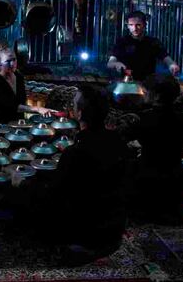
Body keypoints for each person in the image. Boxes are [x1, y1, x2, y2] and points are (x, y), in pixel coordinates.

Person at [17, 85, 129, 265]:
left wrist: (23, 184)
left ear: (79, 113)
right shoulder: (119, 142)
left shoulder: (75, 152)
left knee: (27, 195)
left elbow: (53, 194)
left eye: (74, 105)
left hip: (86, 229)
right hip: (114, 226)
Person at [128, 75, 183, 225]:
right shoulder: (181, 119)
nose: (144, 95)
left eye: (146, 92)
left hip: (150, 183)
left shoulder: (144, 118)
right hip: (177, 183)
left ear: (156, 96)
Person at [107, 11, 180, 81]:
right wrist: (116, 64)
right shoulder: (122, 42)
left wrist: (172, 65)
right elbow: (110, 63)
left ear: (144, 25)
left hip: (148, 83)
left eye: (138, 25)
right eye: (131, 25)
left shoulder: (153, 42)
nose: (134, 28)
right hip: (126, 83)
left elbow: (166, 58)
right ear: (128, 26)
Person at [0, 47, 28, 125]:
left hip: (17, 123)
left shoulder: (19, 77)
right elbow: (10, 106)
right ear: (0, 64)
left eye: (14, 59)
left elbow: (22, 102)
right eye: (8, 61)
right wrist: (37, 109)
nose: (12, 64)